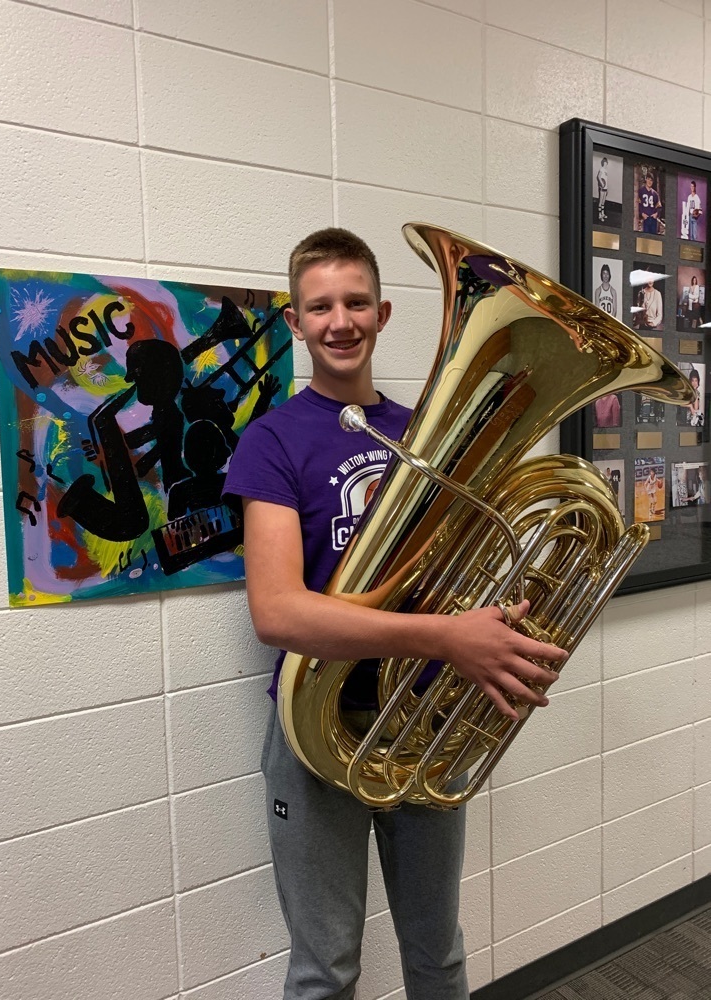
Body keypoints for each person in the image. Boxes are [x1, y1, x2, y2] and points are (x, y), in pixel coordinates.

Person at [223, 228, 567, 1000]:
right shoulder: (272, 441)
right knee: (326, 969)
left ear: (381, 314)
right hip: (313, 725)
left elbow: (457, 574)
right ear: (295, 323)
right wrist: (448, 637)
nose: (338, 320)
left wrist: (499, 621)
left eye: (353, 303)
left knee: (437, 954)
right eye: (319, 306)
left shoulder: (428, 436)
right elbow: (277, 613)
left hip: (421, 721)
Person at [596, 157, 609, 222]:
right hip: (602, 188)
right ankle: (599, 215)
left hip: (605, 188)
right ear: (603, 163)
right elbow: (598, 176)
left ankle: (603, 214)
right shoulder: (601, 169)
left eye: (607, 162)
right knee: (600, 201)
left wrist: (607, 188)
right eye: (605, 162)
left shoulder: (606, 170)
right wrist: (601, 184)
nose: (606, 164)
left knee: (603, 202)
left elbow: (606, 180)